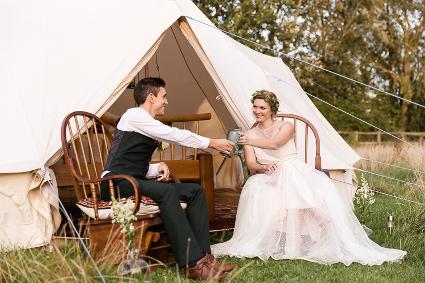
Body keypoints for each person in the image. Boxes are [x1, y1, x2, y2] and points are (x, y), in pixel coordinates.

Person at [211, 90, 406, 265]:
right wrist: (264, 166)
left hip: (295, 170)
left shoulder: (286, 126)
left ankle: (296, 243)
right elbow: (252, 166)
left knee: (288, 171)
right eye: (255, 106)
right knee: (270, 180)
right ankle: (319, 217)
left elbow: (276, 144)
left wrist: (250, 141)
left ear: (272, 110)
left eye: (263, 107)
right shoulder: (249, 134)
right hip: (268, 175)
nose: (257, 110)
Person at [101, 77, 236, 281]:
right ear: (151, 97)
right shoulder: (134, 115)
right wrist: (212, 142)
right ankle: (194, 264)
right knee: (166, 191)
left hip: (133, 181)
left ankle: (205, 258)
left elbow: (134, 162)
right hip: (115, 184)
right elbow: (173, 135)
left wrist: (156, 168)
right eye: (164, 96)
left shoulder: (142, 121)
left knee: (195, 191)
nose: (166, 101)